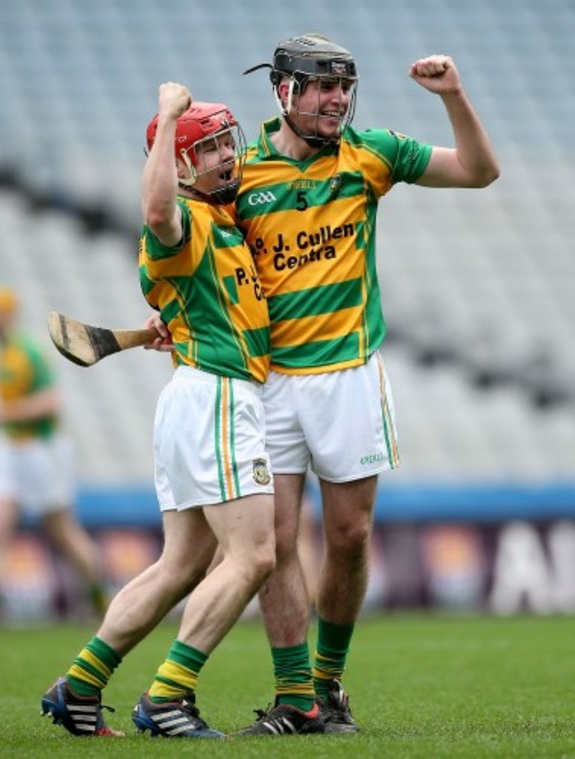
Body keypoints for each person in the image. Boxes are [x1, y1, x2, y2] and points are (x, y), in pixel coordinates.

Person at [229, 33, 500, 735]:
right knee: (278, 542)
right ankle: (295, 698)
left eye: (344, 87)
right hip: (270, 381)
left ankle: (328, 684)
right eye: (322, 86)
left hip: (349, 375)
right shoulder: (239, 172)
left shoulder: (370, 153)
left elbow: (478, 170)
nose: (337, 99)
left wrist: (454, 97)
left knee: (348, 536)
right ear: (283, 90)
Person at [40, 82, 277, 739]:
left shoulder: (222, 222)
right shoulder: (185, 220)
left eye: (228, 142)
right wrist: (170, 116)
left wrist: (164, 322)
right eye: (208, 149)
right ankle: (169, 695)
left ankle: (80, 685)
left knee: (181, 566)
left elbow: (199, 301)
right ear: (177, 164)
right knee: (255, 555)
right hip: (220, 399)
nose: (228, 155)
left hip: (196, 398)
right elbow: (155, 215)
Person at [0, 285, 108, 624]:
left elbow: (50, 402)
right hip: (9, 450)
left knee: (62, 529)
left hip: (41, 449)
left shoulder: (27, 351)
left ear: (4, 312)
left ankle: (98, 595)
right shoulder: (4, 352)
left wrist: (4, 412)